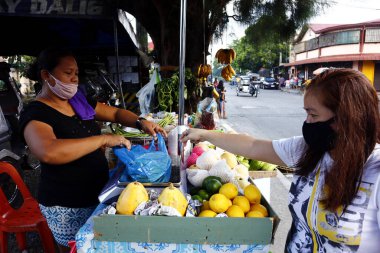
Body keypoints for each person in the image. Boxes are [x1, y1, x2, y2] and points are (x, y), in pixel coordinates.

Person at [181, 69, 380, 253]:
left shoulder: (375, 172)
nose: (307, 122)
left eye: (313, 114)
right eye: (306, 113)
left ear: (346, 118)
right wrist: (205, 135)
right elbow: (252, 146)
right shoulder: (309, 150)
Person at [19, 47, 166, 253]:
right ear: (46, 75)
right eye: (67, 73)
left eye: (76, 74)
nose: (73, 80)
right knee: (76, 248)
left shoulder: (77, 100)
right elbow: (48, 151)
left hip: (96, 193)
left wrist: (140, 122)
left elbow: (114, 113)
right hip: (66, 203)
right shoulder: (36, 113)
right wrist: (103, 139)